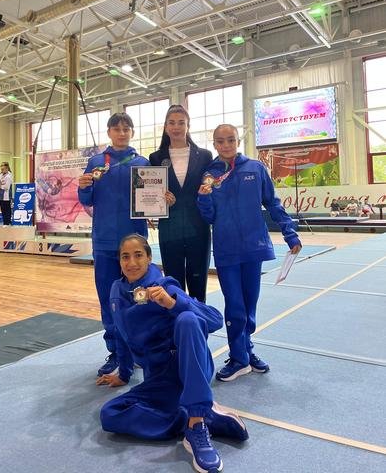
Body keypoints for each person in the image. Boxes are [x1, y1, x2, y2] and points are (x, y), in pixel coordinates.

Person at [98, 234, 248, 473]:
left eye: (138, 255)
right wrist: (124, 374)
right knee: (109, 414)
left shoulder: (165, 285)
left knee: (187, 319)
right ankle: (198, 417)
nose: (132, 262)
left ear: (149, 258)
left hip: (190, 368)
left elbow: (214, 319)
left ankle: (197, 425)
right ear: (119, 261)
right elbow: (121, 334)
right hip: (158, 378)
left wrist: (173, 303)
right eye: (125, 257)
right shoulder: (117, 291)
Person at [197, 124, 302, 382]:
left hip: (254, 248)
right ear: (214, 144)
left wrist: (290, 233)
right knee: (235, 305)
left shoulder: (256, 169)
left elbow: (273, 203)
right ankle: (238, 357)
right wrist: (203, 198)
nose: (226, 145)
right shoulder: (209, 175)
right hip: (227, 250)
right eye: (220, 141)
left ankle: (246, 350)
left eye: (230, 140)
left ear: (237, 140)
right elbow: (208, 216)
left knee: (249, 305)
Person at [78, 113, 149, 377]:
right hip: (105, 242)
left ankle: (138, 349)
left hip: (135, 243)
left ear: (132, 132)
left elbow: (151, 201)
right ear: (109, 132)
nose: (121, 133)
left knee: (138, 297)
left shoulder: (143, 163)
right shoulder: (96, 162)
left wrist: (161, 199)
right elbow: (87, 199)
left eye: (126, 129)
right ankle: (116, 352)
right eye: (116, 129)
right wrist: (83, 186)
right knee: (109, 299)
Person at [149, 105, 213, 302]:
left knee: (198, 283)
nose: (176, 127)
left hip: (198, 227)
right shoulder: (156, 157)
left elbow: (210, 187)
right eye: (172, 123)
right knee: (173, 283)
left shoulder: (205, 156)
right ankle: (176, 320)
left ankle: (198, 319)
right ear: (165, 127)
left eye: (181, 123)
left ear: (188, 126)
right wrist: (160, 198)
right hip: (170, 228)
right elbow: (150, 190)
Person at [0, 162, 13, 226]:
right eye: (1, 169)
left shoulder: (9, 176)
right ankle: (4, 222)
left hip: (6, 195)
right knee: (2, 209)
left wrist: (0, 187)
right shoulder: (0, 175)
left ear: (7, 168)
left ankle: (7, 222)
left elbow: (6, 187)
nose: (2, 170)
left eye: (3, 169)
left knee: (7, 209)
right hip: (0, 194)